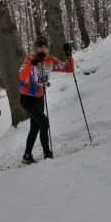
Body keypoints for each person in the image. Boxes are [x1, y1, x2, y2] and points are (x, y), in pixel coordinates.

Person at [18, 35, 74, 164]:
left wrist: (69, 56)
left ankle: (26, 156)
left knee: (35, 127)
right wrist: (34, 63)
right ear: (35, 48)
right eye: (40, 47)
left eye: (44, 46)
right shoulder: (29, 60)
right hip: (27, 99)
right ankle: (47, 154)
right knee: (44, 122)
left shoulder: (51, 60)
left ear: (47, 48)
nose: (42, 49)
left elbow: (69, 69)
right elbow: (21, 75)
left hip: (39, 98)